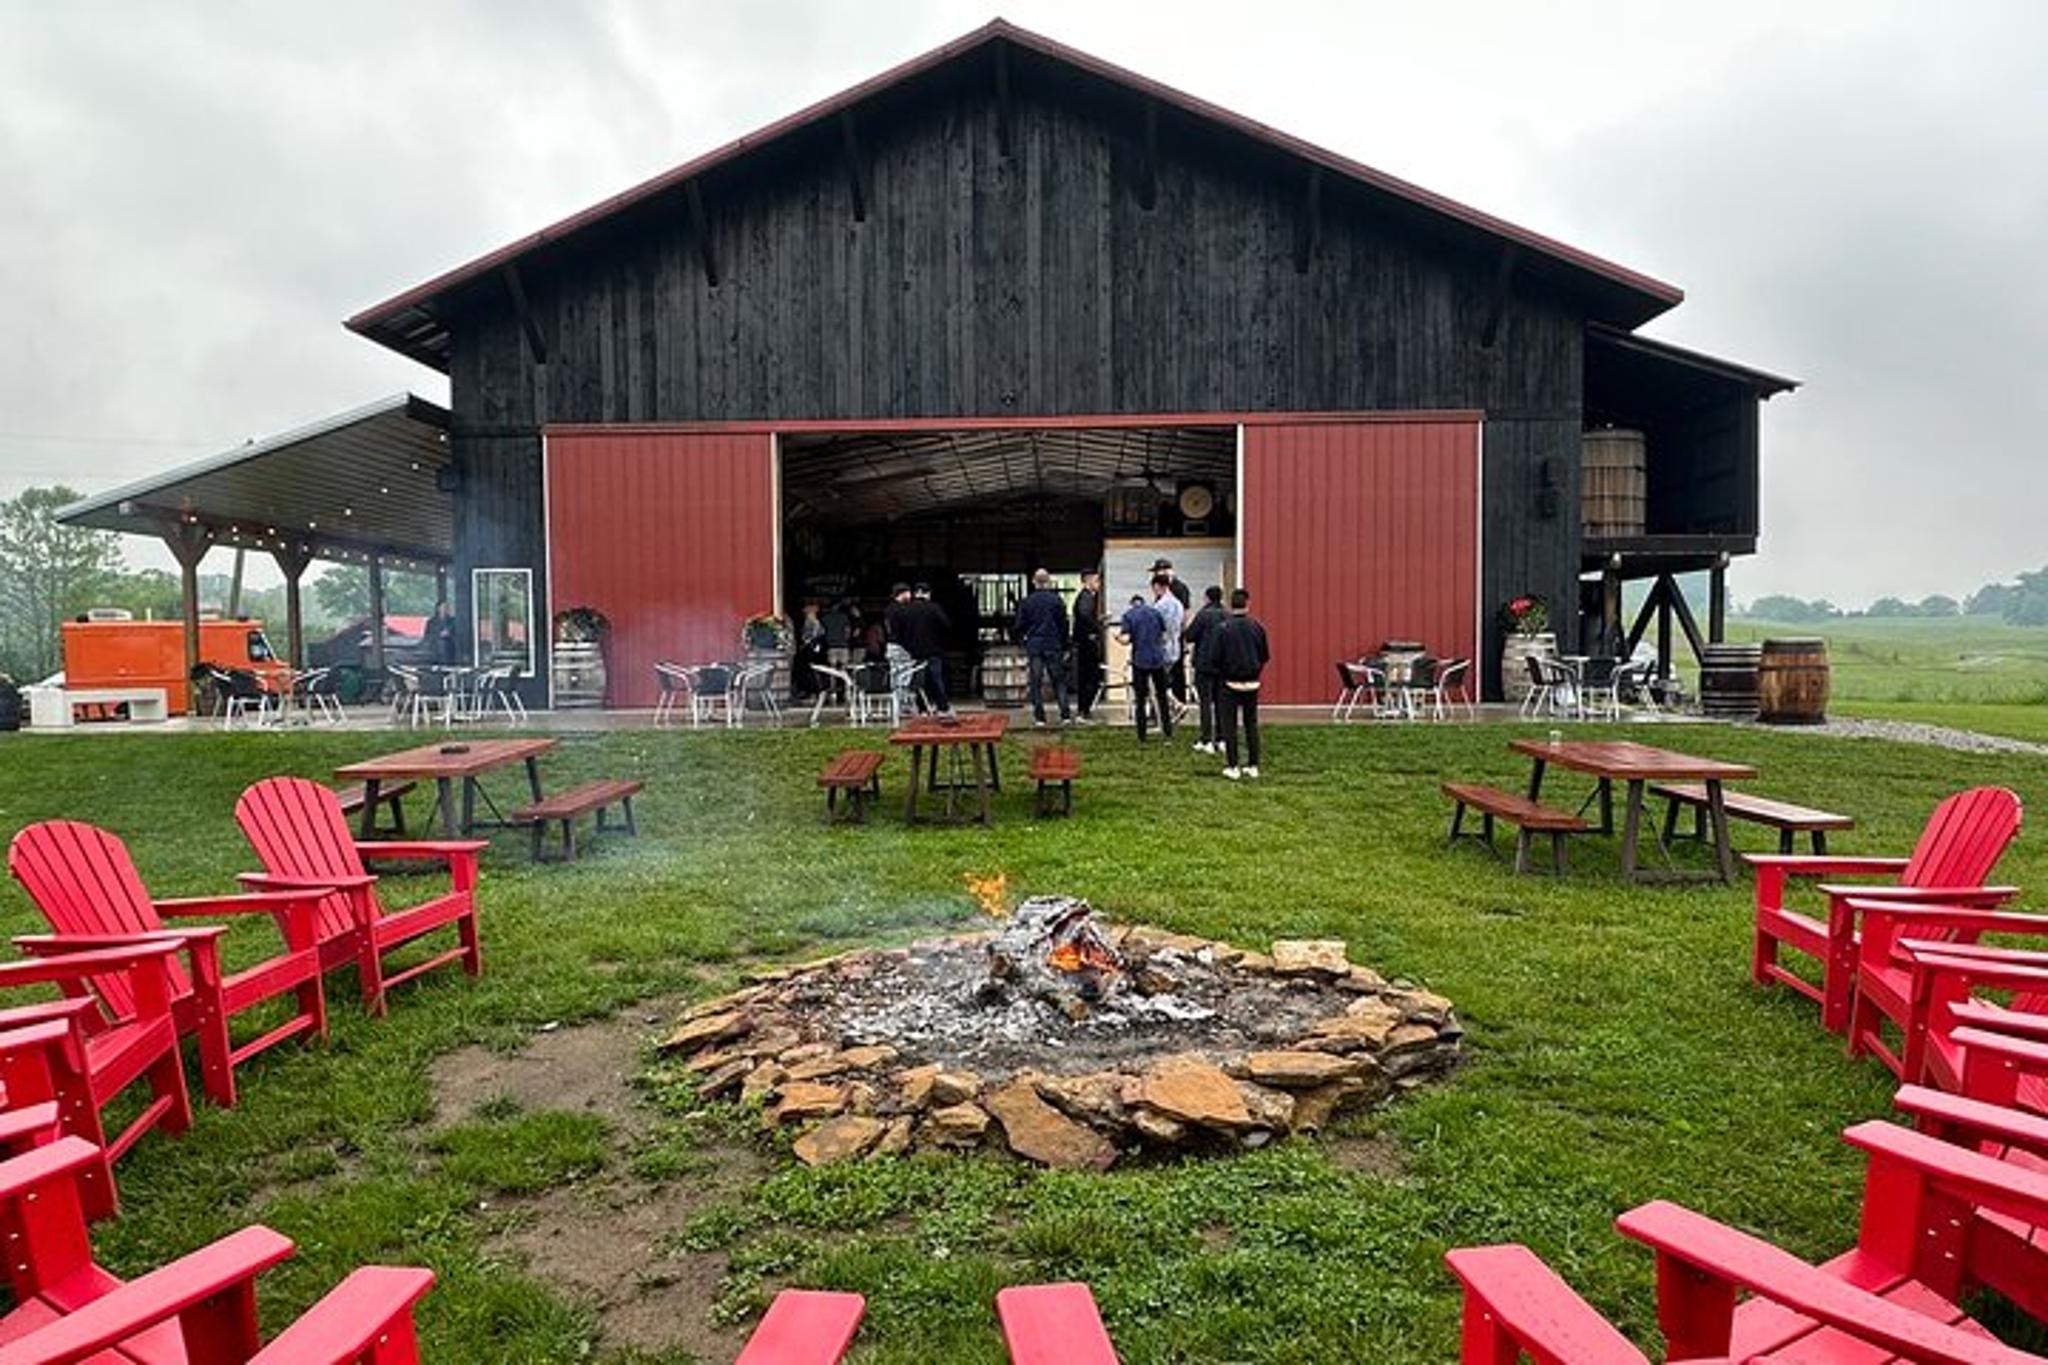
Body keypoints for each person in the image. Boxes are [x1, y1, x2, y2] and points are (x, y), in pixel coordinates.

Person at [1214, 588, 1270, 779]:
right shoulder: (1257, 627)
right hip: (1252, 683)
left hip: (1229, 683)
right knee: (1251, 724)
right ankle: (1253, 765)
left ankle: (1233, 766)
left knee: (1229, 726)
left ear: (1230, 604)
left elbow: (1215, 658)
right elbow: (1264, 656)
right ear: (1248, 604)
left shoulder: (1223, 628)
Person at [1013, 568, 1072, 727]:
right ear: (1048, 582)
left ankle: (1040, 718)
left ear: (1034, 582)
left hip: (1035, 645)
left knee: (1036, 682)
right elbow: (1064, 625)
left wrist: (1023, 639)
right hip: (1053, 644)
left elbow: (1019, 625)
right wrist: (1065, 645)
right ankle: (1065, 715)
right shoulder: (1056, 601)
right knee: (1058, 681)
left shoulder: (1027, 602)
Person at [888, 581, 952, 715]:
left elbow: (900, 630)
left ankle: (922, 707)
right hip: (933, 650)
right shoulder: (934, 608)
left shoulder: (905, 609)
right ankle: (942, 706)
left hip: (913, 651)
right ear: (927, 594)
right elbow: (946, 625)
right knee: (936, 679)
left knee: (918, 681)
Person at [1119, 591, 1172, 742]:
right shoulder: (1155, 613)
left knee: (1140, 699)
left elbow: (1126, 639)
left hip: (1140, 661)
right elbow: (1163, 635)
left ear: (1132, 604)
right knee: (1162, 697)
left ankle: (1142, 734)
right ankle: (1167, 731)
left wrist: (1117, 638)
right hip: (1157, 659)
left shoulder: (1128, 615)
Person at [1183, 585, 1228, 753]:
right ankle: (1222, 739)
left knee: (1205, 703)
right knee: (1221, 703)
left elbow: (1190, 635)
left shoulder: (1203, 615)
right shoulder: (1227, 615)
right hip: (1222, 667)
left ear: (1207, 598)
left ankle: (1206, 740)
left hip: (1204, 665)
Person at [1150, 558, 1191, 704]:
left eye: (1157, 572)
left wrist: (1184, 637)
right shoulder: (1163, 590)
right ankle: (1171, 703)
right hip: (1166, 637)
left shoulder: (1179, 588)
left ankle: (1178, 702)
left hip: (1173, 636)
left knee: (1176, 672)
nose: (1155, 575)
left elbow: (1185, 613)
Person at [1148, 573, 1185, 714]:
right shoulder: (1178, 604)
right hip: (1175, 647)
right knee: (1164, 679)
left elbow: (1156, 629)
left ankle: (1175, 706)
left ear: (1157, 586)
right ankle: (1164, 709)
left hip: (1162, 648)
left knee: (1158, 682)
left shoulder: (1160, 606)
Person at [1071, 569, 1103, 723]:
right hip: (1087, 643)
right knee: (1090, 678)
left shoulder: (1088, 597)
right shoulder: (1086, 597)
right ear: (1088, 581)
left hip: (1085, 641)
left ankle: (1084, 710)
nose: (1099, 584)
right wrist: (1096, 627)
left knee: (1088, 678)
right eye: (1096, 580)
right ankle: (1084, 710)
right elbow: (1084, 616)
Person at [424, 600, 459, 666]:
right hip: (434, 654)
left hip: (449, 653)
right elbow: (427, 636)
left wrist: (449, 634)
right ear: (438, 608)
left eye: (447, 607)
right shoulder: (431, 622)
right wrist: (439, 635)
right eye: (444, 607)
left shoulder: (453, 621)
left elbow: (459, 636)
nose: (446, 609)